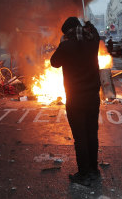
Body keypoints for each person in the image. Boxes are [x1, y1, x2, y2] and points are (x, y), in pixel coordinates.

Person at [50, 17, 101, 187]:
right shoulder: (92, 42)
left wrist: (62, 43)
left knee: (80, 137)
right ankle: (94, 170)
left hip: (75, 99)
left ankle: (84, 174)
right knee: (92, 134)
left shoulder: (66, 46)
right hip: (93, 97)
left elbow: (54, 62)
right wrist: (88, 24)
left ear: (67, 33)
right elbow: (95, 32)